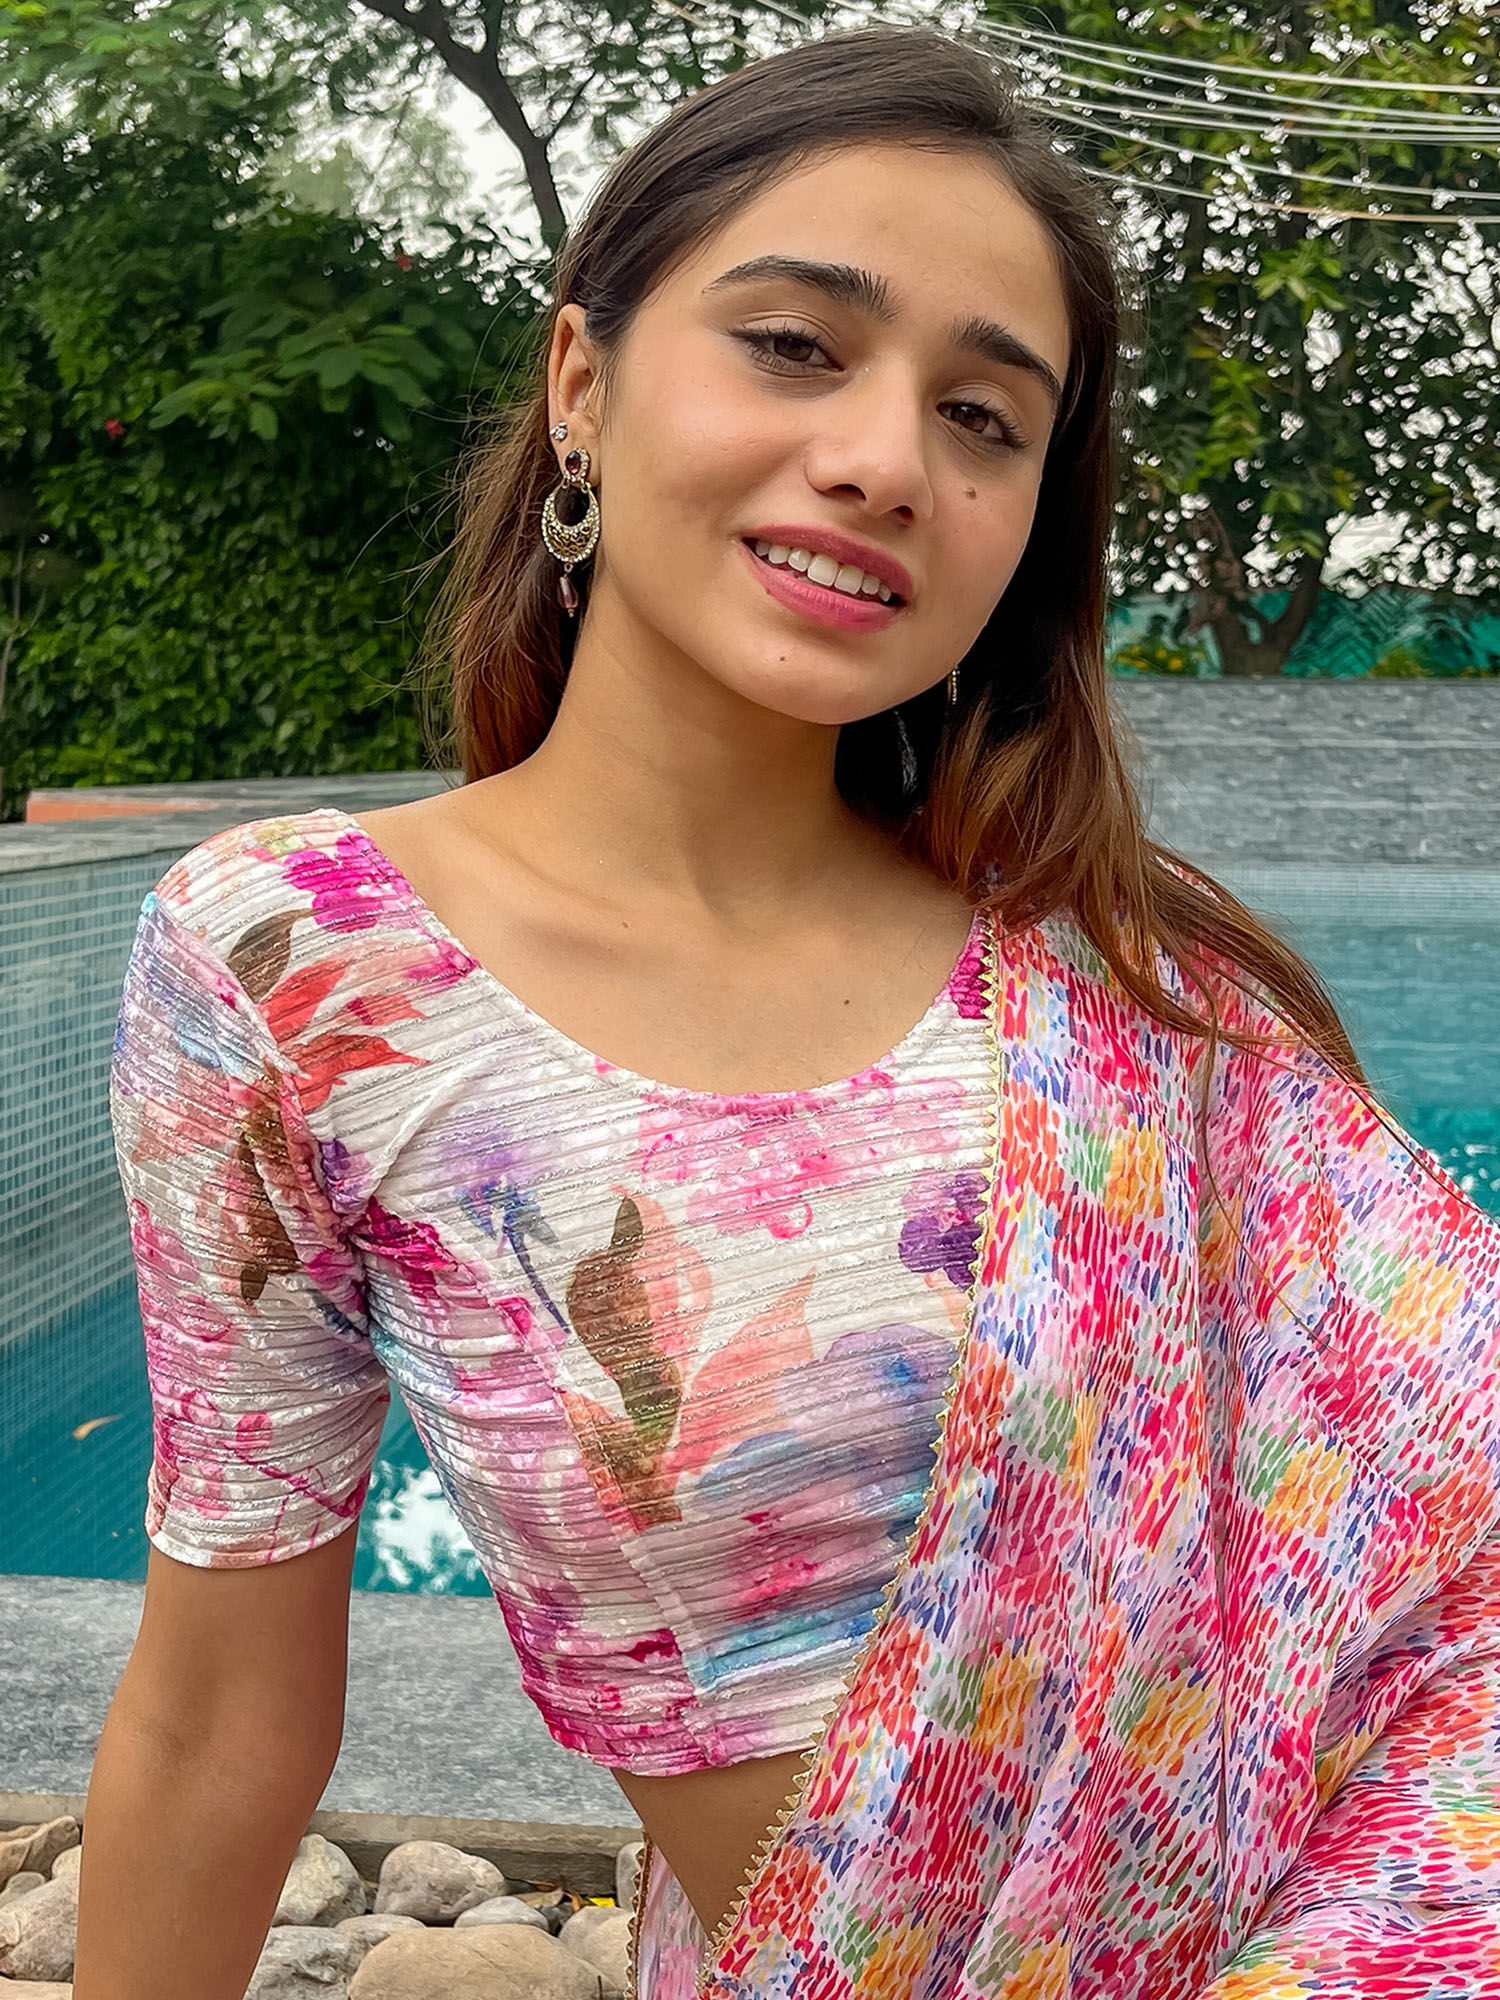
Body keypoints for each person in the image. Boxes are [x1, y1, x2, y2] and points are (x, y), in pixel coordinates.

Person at [77, 25, 1500, 2000]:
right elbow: (222, 1705)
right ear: (581, 385)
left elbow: (1453, 1533)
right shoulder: (304, 968)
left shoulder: (1131, 986)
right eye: (794, 345)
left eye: (985, 417)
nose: (888, 460)